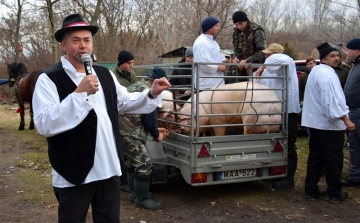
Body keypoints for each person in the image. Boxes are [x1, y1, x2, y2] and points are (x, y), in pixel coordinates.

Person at [32, 14, 170, 222]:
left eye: (87, 40)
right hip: (73, 174)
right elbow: (44, 123)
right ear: (63, 44)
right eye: (75, 40)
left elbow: (124, 101)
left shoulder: (105, 74)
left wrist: (151, 93)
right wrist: (79, 95)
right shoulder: (49, 79)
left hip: (108, 169)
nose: (83, 46)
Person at [301, 42, 354, 203]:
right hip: (329, 124)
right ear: (323, 59)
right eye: (332, 56)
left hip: (315, 123)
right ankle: (334, 193)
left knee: (316, 158)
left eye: (338, 55)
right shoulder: (327, 75)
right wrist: (346, 119)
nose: (337, 58)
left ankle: (311, 190)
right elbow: (332, 100)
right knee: (333, 160)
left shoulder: (316, 71)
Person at [119, 67, 169, 210]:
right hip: (130, 133)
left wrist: (155, 129)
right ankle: (142, 199)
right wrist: (157, 135)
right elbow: (149, 119)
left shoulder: (136, 85)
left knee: (131, 163)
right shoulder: (151, 91)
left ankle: (135, 194)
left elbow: (138, 115)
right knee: (144, 163)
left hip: (122, 130)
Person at [255, 43, 301, 189]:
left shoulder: (286, 62)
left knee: (289, 145)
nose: (266, 56)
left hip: (288, 111)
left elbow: (279, 59)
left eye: (269, 54)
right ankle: (274, 174)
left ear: (276, 54)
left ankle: (289, 179)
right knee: (272, 142)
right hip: (272, 111)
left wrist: (262, 66)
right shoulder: (270, 68)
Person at [113, 49, 138, 193]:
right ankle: (122, 182)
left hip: (131, 113)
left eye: (133, 63)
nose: (131, 66)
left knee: (128, 153)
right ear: (121, 63)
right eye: (129, 63)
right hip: (119, 115)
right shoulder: (114, 76)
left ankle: (129, 181)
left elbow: (136, 90)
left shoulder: (132, 74)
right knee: (120, 150)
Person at [343, 38, 360, 187]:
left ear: (356, 51)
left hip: (358, 111)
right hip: (352, 111)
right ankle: (355, 176)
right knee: (353, 145)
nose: (345, 53)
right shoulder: (355, 66)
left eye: (347, 50)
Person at [193, 16, 227, 89]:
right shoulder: (201, 42)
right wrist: (219, 67)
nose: (219, 28)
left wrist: (226, 62)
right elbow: (203, 63)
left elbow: (217, 57)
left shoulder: (212, 42)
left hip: (216, 82)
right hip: (207, 84)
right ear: (209, 28)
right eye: (216, 26)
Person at [232, 10, 266, 81]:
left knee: (254, 91)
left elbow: (262, 52)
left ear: (245, 21)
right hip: (241, 71)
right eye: (236, 25)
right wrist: (235, 58)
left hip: (255, 70)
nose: (239, 26)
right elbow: (235, 49)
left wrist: (247, 60)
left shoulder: (256, 30)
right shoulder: (236, 32)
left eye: (240, 23)